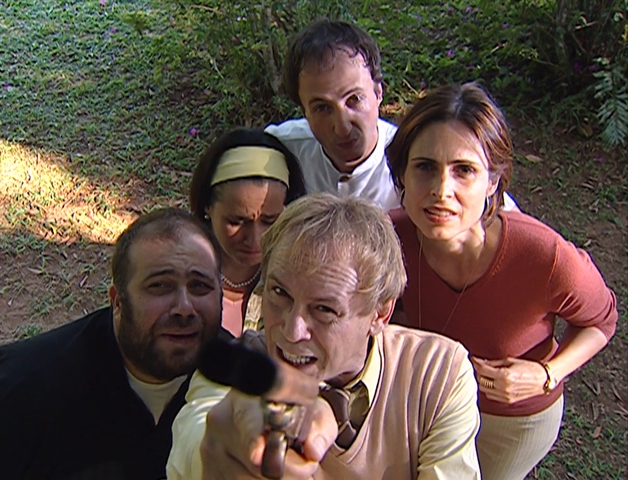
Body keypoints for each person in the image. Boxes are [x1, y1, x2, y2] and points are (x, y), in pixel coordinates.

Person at [385, 82, 618, 480]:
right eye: (425, 167)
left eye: (464, 170)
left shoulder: (545, 256)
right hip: (429, 403)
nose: (441, 191)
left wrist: (547, 374)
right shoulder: (388, 239)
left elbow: (602, 320)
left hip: (510, 421)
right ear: (403, 173)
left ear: (492, 181)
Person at [167, 193, 482, 479]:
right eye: (280, 293)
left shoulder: (438, 374)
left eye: (324, 309)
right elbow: (194, 437)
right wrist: (228, 448)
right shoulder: (236, 367)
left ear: (380, 314)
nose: (292, 331)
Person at [0, 208, 227, 480]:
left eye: (200, 286)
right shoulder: (21, 394)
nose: (184, 308)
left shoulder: (240, 389)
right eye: (160, 286)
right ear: (118, 302)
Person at [265, 19, 517, 212]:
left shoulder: (417, 155)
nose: (341, 127)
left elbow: (506, 216)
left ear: (378, 93)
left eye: (354, 99)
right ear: (304, 110)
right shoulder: (281, 148)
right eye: (322, 108)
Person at [189, 128, 306, 337]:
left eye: (269, 221)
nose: (254, 239)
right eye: (236, 221)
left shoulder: (299, 275)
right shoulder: (179, 270)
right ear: (208, 207)